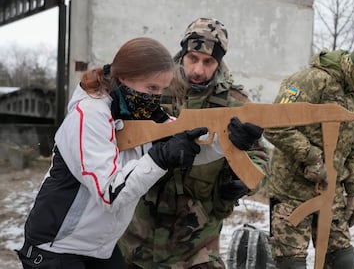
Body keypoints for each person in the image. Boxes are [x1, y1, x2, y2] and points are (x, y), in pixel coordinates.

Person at [16, 37, 211, 269]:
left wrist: (228, 139)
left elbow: (188, 145)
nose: (156, 97)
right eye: (151, 87)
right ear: (124, 77)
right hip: (56, 248)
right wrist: (159, 158)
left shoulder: (138, 113)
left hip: (99, 248)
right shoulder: (89, 115)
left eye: (161, 89)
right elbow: (110, 193)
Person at [118, 17, 270, 269]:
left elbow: (260, 161)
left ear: (219, 62)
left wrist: (241, 180)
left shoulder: (235, 102)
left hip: (197, 239)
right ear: (183, 53)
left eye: (208, 61)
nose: (198, 70)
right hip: (137, 231)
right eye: (193, 58)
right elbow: (119, 136)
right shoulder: (155, 85)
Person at [264, 39, 354, 269]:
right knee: (291, 264)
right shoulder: (310, 81)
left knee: (343, 260)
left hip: (331, 192)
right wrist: (311, 156)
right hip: (291, 192)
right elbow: (274, 124)